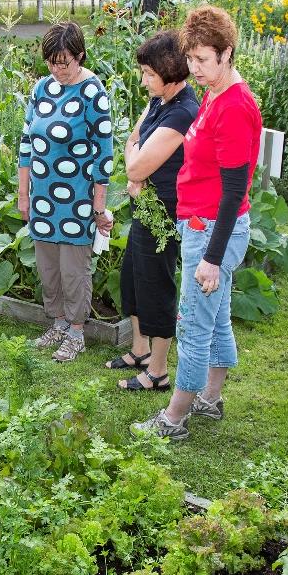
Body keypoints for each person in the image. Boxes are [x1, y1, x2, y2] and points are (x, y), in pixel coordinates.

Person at [132, 6, 262, 440]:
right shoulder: (215, 94)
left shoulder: (235, 106)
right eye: (191, 60)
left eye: (204, 59)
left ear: (227, 54)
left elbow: (234, 190)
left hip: (211, 231)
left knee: (193, 325)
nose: (195, 69)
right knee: (218, 316)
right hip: (200, 225)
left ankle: (174, 417)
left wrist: (211, 256)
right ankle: (210, 397)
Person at [106, 30, 198, 391]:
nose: (143, 80)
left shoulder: (183, 111)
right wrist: (135, 161)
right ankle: (139, 350)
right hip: (145, 209)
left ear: (170, 71)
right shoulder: (160, 101)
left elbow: (134, 167)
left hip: (165, 216)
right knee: (132, 276)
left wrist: (136, 168)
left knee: (156, 285)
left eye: (148, 73)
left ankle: (158, 371)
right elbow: (132, 143)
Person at [18, 22, 114, 363]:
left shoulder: (92, 91)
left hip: (76, 200)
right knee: (48, 269)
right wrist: (23, 194)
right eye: (52, 62)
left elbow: (104, 154)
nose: (58, 69)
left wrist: (98, 206)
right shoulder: (42, 88)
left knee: (74, 271)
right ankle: (57, 324)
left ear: (80, 56)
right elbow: (27, 143)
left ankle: (76, 333)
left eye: (64, 62)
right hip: (43, 198)